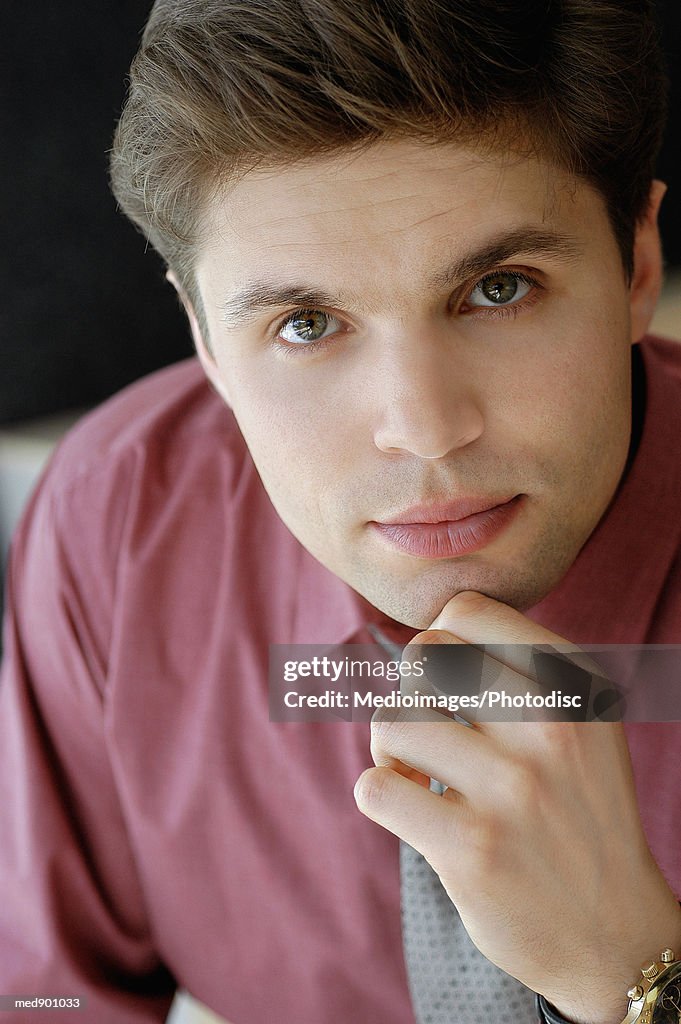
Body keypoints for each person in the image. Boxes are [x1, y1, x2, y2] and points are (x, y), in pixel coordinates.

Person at [1, 1, 680, 1022]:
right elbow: (45, 996)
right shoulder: (117, 528)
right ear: (206, 338)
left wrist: (637, 973)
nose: (424, 430)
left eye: (500, 289)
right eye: (307, 322)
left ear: (636, 265)